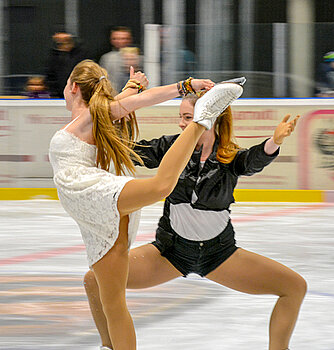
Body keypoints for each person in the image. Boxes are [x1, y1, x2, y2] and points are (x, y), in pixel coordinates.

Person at [83, 91, 304, 350]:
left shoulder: (229, 156)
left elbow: (252, 160)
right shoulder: (170, 148)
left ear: (209, 118)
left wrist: (274, 142)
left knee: (295, 287)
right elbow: (132, 152)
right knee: (93, 280)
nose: (181, 123)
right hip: (170, 253)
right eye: (181, 117)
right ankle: (109, 347)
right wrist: (120, 109)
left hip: (219, 254)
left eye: (187, 117)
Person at [48, 59, 243, 350]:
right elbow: (126, 101)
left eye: (65, 86)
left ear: (73, 87)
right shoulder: (98, 114)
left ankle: (203, 118)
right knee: (109, 298)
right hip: (93, 214)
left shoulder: (93, 115)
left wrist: (185, 86)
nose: (64, 91)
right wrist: (133, 85)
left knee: (161, 186)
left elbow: (139, 100)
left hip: (94, 192)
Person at [46, 30, 89, 97]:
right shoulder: (53, 57)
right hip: (59, 96)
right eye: (60, 42)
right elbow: (50, 77)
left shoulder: (81, 55)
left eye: (66, 40)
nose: (63, 43)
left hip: (79, 94)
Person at [99, 26, 135, 92]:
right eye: (115, 38)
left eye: (123, 38)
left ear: (130, 39)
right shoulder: (106, 58)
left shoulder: (139, 58)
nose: (119, 41)